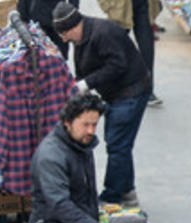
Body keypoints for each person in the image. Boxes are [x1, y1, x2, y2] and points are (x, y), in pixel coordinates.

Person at [52, 1, 151, 206]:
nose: (63, 39)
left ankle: (112, 195)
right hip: (117, 94)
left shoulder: (103, 33)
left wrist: (87, 84)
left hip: (130, 93)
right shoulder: (82, 39)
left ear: (72, 27)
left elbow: (117, 65)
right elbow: (83, 69)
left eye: (63, 34)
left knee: (117, 144)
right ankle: (127, 191)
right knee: (120, 145)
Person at [26, 93, 124, 223]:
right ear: (67, 122)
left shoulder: (82, 143)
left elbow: (86, 191)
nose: (91, 131)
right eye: (85, 124)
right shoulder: (51, 156)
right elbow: (59, 204)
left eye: (94, 124)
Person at [96, 0, 162, 105]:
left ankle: (148, 90)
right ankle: (111, 88)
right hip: (119, 6)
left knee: (147, 49)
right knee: (115, 48)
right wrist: (106, 5)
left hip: (144, 4)